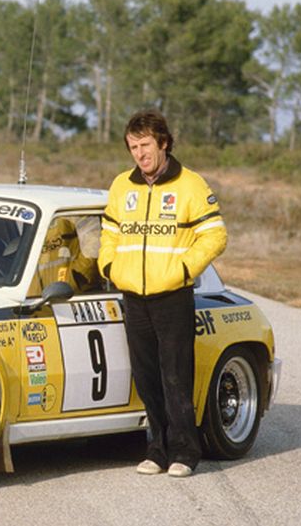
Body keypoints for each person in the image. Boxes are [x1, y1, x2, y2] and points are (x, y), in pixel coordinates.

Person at [97, 109, 227, 478]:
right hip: (133, 296)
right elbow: (109, 233)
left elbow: (216, 235)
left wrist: (183, 270)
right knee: (146, 375)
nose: (140, 154)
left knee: (175, 376)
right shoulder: (122, 185)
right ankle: (156, 449)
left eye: (146, 145)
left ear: (164, 143)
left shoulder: (191, 185)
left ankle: (185, 452)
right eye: (133, 147)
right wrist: (110, 267)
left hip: (172, 296)